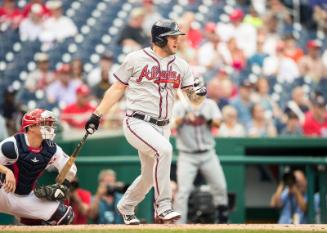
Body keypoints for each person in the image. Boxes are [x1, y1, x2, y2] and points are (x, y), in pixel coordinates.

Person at [84, 19, 207, 225]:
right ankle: (164, 205)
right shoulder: (135, 59)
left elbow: (192, 100)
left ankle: (127, 205)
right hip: (137, 122)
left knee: (149, 177)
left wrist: (200, 95)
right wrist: (97, 114)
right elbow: (116, 89)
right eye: (172, 37)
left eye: (177, 36)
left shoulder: (181, 64)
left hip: (163, 126)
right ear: (160, 38)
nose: (177, 40)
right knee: (165, 151)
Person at [0, 108, 77, 225]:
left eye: (50, 123)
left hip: (25, 196)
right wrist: (6, 171)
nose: (50, 126)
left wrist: (63, 185)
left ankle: (29, 221)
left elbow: (71, 170)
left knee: (65, 215)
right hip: (3, 192)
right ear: (30, 127)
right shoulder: (12, 144)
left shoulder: (52, 149)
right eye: (44, 123)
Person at [172, 85, 229, 224]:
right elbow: (171, 125)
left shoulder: (209, 105)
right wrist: (183, 117)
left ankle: (222, 220)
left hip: (208, 154)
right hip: (187, 155)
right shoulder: (180, 106)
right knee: (183, 192)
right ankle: (179, 225)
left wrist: (206, 119)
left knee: (220, 186)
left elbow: (218, 123)